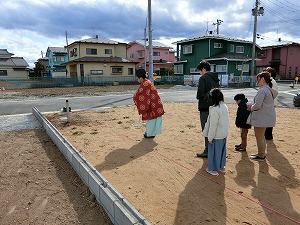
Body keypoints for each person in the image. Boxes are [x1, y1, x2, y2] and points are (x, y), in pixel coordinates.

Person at [247, 71, 278, 161]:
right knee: (262, 137)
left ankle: (261, 155)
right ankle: (261, 154)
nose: (257, 82)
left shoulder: (262, 90)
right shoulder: (268, 89)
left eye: (258, 79)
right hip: (266, 117)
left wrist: (250, 108)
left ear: (263, 79)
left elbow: (258, 105)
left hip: (261, 118)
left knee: (259, 136)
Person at [202, 88, 229, 176]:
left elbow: (213, 125)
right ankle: (221, 166)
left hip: (216, 134)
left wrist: (210, 138)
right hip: (224, 133)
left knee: (213, 152)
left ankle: (213, 169)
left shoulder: (215, 109)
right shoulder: (224, 106)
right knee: (221, 151)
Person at [196, 61, 220, 158]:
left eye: (200, 70)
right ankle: (215, 149)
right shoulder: (215, 78)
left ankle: (208, 150)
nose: (200, 73)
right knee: (214, 128)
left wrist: (199, 96)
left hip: (205, 107)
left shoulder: (203, 78)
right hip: (215, 106)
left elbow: (199, 94)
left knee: (206, 129)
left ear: (204, 69)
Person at [133, 68, 165, 138]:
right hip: (154, 104)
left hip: (152, 106)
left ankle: (150, 134)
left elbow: (137, 95)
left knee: (151, 119)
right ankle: (150, 133)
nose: (137, 80)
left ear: (141, 78)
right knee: (152, 119)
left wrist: (135, 99)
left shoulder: (145, 84)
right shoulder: (147, 82)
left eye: (137, 78)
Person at [262, 67, 278, 140]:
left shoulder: (271, 81)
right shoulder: (271, 80)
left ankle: (268, 135)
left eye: (267, 72)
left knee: (268, 119)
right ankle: (268, 135)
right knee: (268, 118)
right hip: (270, 102)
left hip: (269, 102)